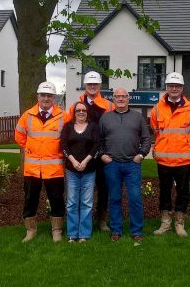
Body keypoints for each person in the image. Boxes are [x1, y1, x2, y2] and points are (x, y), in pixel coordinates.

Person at [15, 81, 70, 243]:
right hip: (32, 168)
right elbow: (19, 136)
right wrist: (32, 149)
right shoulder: (28, 115)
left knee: (57, 200)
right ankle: (30, 231)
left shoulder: (63, 116)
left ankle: (57, 230)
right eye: (43, 95)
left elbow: (68, 139)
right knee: (30, 199)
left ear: (54, 98)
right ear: (38, 96)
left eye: (49, 96)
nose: (46, 98)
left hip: (54, 168)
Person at [150, 72, 190, 237]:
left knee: (183, 192)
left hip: (184, 158)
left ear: (182, 88)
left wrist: (184, 143)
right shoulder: (157, 109)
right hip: (164, 159)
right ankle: (165, 223)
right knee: (164, 191)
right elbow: (156, 131)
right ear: (166, 87)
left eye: (177, 86)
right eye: (171, 86)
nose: (174, 89)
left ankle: (179, 223)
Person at [99, 88, 151, 242]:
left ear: (129, 99)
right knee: (114, 198)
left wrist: (141, 155)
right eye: (117, 96)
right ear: (113, 99)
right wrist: (103, 155)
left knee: (135, 198)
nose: (120, 99)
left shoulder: (138, 117)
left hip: (132, 165)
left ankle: (137, 231)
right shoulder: (105, 118)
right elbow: (99, 140)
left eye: (123, 96)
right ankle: (116, 230)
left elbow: (146, 139)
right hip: (112, 164)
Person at [69, 71, 115, 232]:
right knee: (80, 189)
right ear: (85, 86)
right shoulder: (76, 106)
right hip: (81, 154)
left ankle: (102, 220)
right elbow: (69, 129)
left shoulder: (109, 106)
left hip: (102, 153)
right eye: (89, 84)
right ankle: (81, 220)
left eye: (95, 84)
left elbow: (114, 129)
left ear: (100, 86)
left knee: (103, 188)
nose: (92, 87)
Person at [60, 101, 100, 242]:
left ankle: (84, 234)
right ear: (74, 112)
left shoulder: (93, 127)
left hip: (89, 170)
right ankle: (72, 233)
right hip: (72, 170)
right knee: (71, 202)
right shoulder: (68, 127)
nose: (81, 112)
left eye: (84, 110)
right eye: (78, 110)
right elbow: (63, 145)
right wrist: (74, 161)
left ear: (87, 112)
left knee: (86, 202)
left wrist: (85, 161)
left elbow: (97, 145)